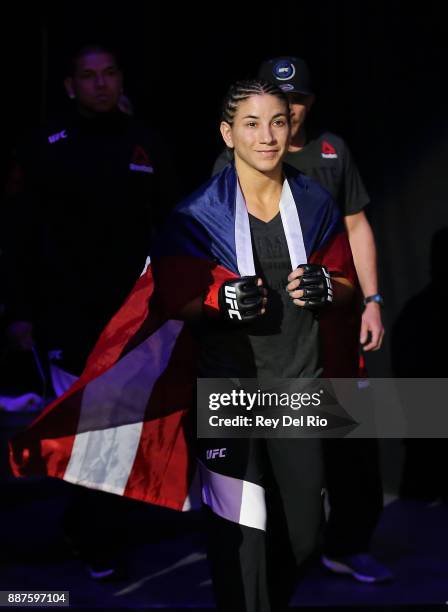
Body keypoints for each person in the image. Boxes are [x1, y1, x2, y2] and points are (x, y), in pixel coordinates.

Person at [11, 78, 357, 611]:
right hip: (227, 393)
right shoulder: (196, 213)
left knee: (304, 534)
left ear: (291, 129)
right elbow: (172, 301)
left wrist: (332, 288)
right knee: (239, 536)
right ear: (227, 134)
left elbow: (347, 281)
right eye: (251, 124)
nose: (266, 136)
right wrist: (219, 302)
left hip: (298, 390)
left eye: (277, 122)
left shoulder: (314, 203)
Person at [214, 56, 391, 583]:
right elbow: (211, 241)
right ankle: (269, 553)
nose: (289, 111)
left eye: (298, 101)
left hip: (332, 329)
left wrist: (373, 300)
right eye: (278, 101)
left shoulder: (331, 152)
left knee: (350, 436)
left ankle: (349, 543)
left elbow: (357, 226)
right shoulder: (234, 159)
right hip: (268, 336)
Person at [2, 42, 175, 579]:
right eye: (88, 76)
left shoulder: (146, 144)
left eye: (108, 74)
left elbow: (172, 225)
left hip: (134, 314)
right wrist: (19, 312)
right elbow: (19, 235)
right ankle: (96, 540)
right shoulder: (45, 147)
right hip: (66, 317)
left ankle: (88, 525)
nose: (100, 83)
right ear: (70, 86)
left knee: (121, 431)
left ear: (121, 80)